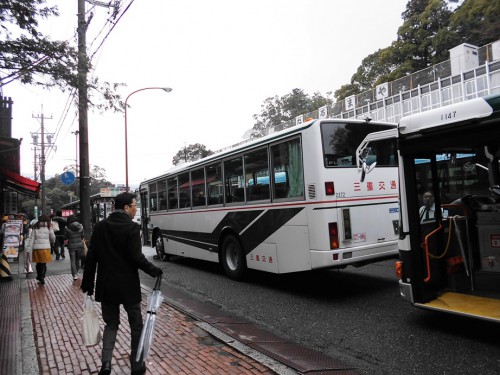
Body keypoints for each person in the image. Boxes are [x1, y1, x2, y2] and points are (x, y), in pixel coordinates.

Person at [81, 192, 162, 375]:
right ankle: (137, 364)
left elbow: (91, 259)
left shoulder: (100, 227)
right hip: (128, 287)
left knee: (111, 324)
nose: (135, 210)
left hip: (106, 286)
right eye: (134, 206)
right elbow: (136, 257)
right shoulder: (132, 228)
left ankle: (106, 364)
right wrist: (154, 270)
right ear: (126, 207)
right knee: (136, 324)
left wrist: (88, 285)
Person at [29, 214, 55, 285]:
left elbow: (32, 238)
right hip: (46, 248)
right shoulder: (49, 227)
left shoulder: (35, 227)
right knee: (44, 263)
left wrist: (29, 248)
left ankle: (39, 276)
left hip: (37, 248)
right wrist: (52, 242)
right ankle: (42, 276)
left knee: (38, 263)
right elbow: (52, 237)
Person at [64, 215, 84, 280]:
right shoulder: (80, 226)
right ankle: (77, 272)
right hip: (79, 245)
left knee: (72, 261)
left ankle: (74, 275)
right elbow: (82, 236)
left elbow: (65, 237)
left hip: (71, 246)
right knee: (78, 260)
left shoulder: (67, 228)